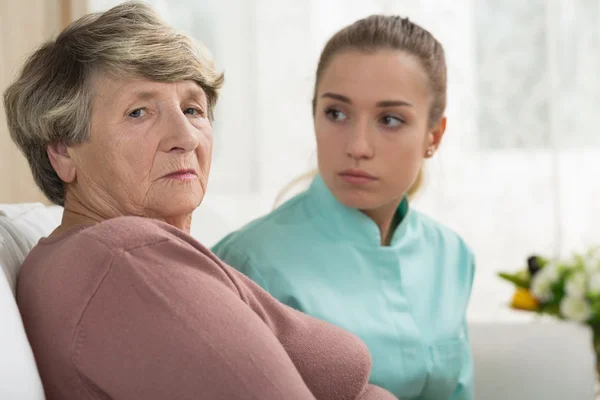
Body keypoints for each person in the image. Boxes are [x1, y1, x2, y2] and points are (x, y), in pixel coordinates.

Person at [4, 3, 396, 399]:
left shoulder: (88, 257)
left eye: (193, 109)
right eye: (139, 112)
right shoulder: (126, 256)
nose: (186, 137)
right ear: (63, 152)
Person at [212, 15, 475, 400]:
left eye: (389, 119)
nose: (358, 146)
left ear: (433, 136)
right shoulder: (247, 264)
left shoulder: (453, 256)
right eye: (336, 113)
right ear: (314, 114)